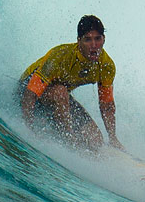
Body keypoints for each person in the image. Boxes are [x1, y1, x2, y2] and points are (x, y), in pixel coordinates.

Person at [17, 15, 122, 153]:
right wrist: (28, 130)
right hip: (27, 92)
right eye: (87, 40)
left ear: (104, 39)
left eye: (97, 39)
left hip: (59, 100)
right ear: (79, 41)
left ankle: (78, 145)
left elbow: (106, 105)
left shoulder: (106, 66)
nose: (94, 45)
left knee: (95, 140)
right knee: (60, 92)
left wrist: (113, 138)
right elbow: (29, 94)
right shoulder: (60, 56)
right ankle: (68, 142)